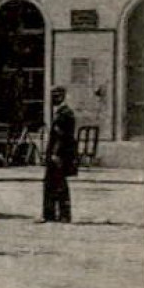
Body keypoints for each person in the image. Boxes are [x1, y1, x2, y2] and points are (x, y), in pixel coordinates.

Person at [39, 86, 79, 223]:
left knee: (56, 184)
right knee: (55, 183)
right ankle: (57, 215)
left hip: (60, 155)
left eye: (55, 96)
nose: (53, 100)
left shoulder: (64, 114)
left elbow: (61, 136)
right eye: (52, 96)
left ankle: (57, 215)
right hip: (60, 154)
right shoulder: (63, 112)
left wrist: (55, 154)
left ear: (62, 96)